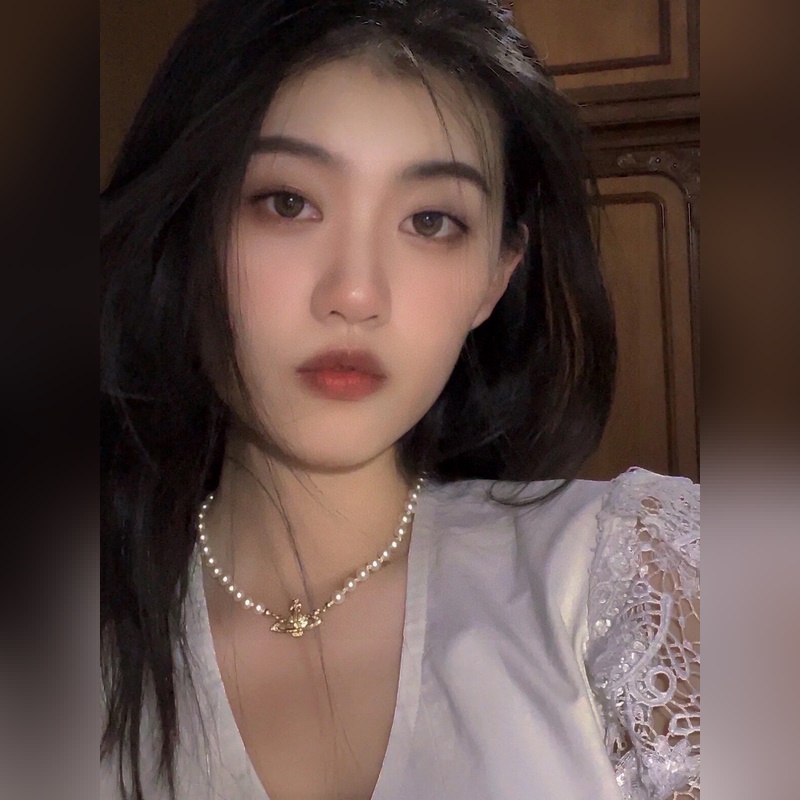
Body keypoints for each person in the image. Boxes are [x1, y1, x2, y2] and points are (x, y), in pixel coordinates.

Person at [100, 1, 700, 799]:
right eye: (287, 203)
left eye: (431, 220)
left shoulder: (640, 580)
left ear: (495, 277)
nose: (356, 293)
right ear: (184, 233)